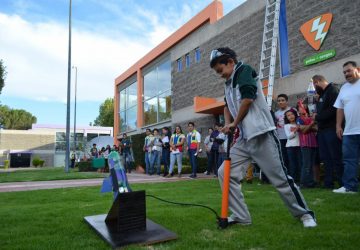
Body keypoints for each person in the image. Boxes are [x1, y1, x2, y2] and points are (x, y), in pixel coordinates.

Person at [210, 47, 316, 227]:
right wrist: (229, 124)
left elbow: (248, 99)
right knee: (225, 173)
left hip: (262, 134)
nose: (219, 74)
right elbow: (226, 106)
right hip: (244, 139)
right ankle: (241, 216)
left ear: (230, 62)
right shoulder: (227, 84)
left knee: (280, 178)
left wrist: (234, 123)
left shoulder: (244, 71)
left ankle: (305, 215)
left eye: (220, 70)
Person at [333, 61, 360, 194]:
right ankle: (350, 187)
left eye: (349, 71)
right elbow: (340, 108)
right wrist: (338, 126)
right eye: (344, 72)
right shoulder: (343, 88)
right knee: (349, 160)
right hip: (349, 131)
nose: (346, 74)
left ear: (357, 69)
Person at [312, 75, 343, 189]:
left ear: (318, 81)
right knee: (325, 158)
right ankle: (328, 183)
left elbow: (335, 109)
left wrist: (318, 117)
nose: (314, 87)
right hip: (322, 131)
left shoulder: (333, 90)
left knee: (336, 157)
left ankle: (342, 183)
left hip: (331, 129)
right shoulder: (322, 95)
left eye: (315, 84)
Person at [297, 103, 317, 188]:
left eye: (304, 106)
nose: (302, 108)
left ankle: (310, 182)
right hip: (305, 144)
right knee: (306, 164)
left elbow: (316, 128)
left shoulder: (310, 118)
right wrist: (312, 124)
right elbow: (303, 130)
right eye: (300, 107)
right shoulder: (299, 119)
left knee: (311, 164)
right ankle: (304, 183)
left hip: (313, 144)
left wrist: (308, 126)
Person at [284, 109, 302, 183]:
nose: (290, 116)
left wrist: (298, 127)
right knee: (293, 164)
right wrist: (295, 130)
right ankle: (294, 181)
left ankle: (301, 180)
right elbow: (289, 136)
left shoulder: (300, 124)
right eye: (288, 115)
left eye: (292, 114)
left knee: (300, 163)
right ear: (286, 118)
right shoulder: (287, 126)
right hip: (290, 147)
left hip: (299, 145)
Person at [275, 94, 291, 169]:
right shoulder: (276, 113)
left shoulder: (292, 111)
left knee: (291, 157)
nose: (280, 102)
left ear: (287, 101)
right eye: (279, 101)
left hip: (291, 138)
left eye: (282, 100)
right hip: (280, 138)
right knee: (283, 157)